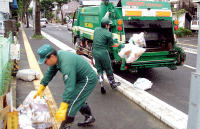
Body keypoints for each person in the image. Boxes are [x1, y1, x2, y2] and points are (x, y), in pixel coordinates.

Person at [33, 44, 98, 129]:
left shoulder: (66, 64)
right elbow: (50, 72)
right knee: (77, 98)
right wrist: (42, 86)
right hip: (78, 79)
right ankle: (90, 118)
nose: (45, 64)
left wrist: (64, 106)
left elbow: (69, 87)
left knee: (71, 103)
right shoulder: (58, 57)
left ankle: (65, 126)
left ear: (52, 56)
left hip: (88, 79)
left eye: (45, 61)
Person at [93, 16, 125, 94]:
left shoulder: (96, 30)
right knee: (108, 68)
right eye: (109, 24)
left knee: (99, 69)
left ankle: (101, 84)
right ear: (106, 25)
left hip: (95, 52)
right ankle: (112, 83)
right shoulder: (108, 33)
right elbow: (112, 45)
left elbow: (100, 38)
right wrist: (120, 45)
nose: (109, 26)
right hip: (103, 52)